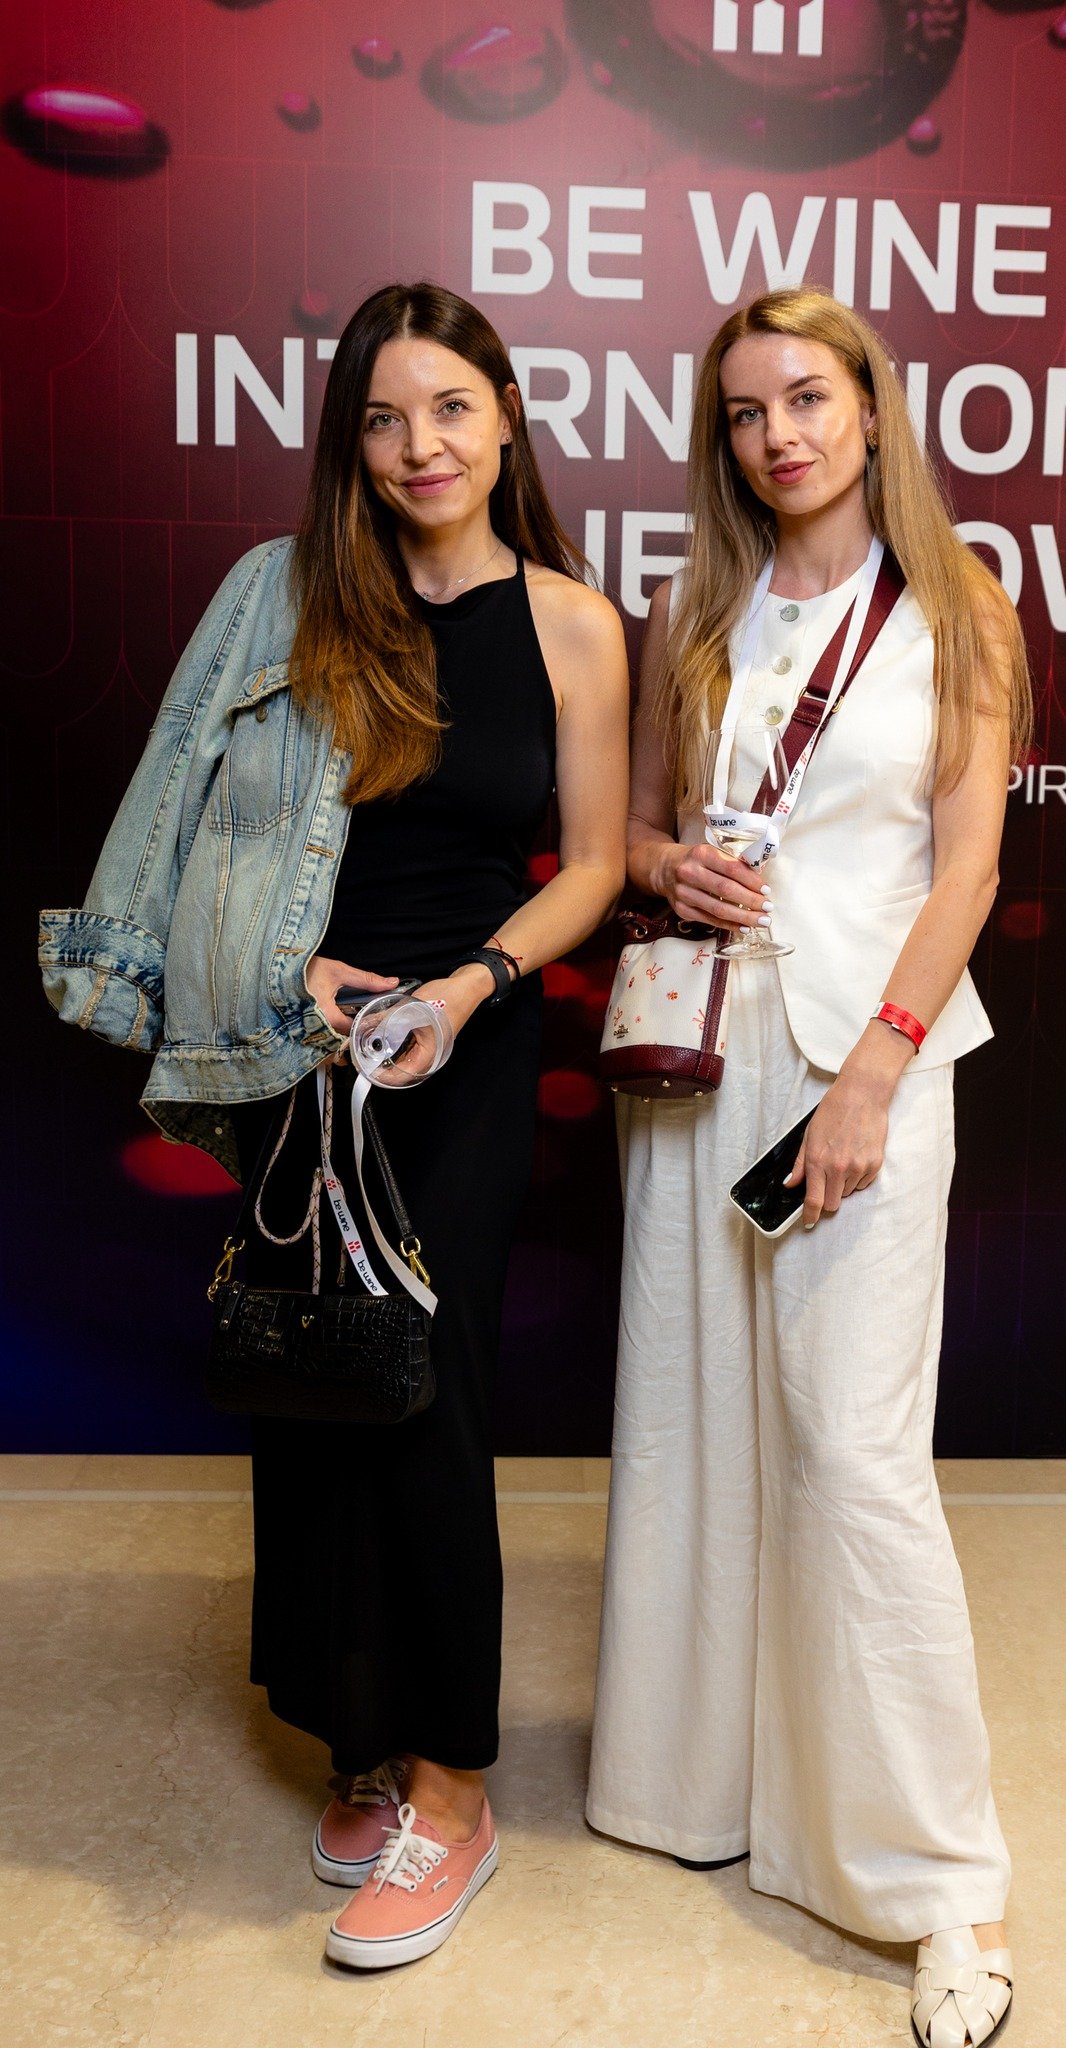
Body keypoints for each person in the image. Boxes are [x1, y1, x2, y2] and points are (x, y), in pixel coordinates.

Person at [40, 282, 628, 1971]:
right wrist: (285, 968)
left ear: (504, 418)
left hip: (464, 1045)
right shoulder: (279, 599)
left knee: (428, 1393)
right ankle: (356, 1739)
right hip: (291, 1038)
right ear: (350, 446)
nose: (419, 446)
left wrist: (467, 988)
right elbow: (186, 815)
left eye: (448, 408)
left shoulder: (576, 623)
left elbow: (595, 862)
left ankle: (454, 1790)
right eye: (382, 418)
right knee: (308, 1382)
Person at [586, 285, 1032, 2048]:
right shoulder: (691, 603)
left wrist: (875, 1073)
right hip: (703, 1049)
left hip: (867, 1056)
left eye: (805, 398)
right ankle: (703, 1795)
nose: (776, 434)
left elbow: (967, 868)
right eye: (744, 410)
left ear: (868, 407)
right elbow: (631, 831)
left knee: (850, 1456)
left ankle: (941, 1890)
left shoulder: (960, 603)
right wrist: (665, 866)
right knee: (692, 1423)